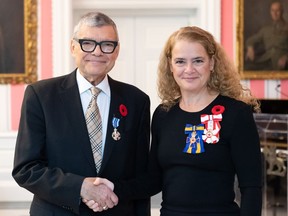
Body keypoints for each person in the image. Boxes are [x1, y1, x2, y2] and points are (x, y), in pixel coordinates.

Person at [88, 26, 263, 216]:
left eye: (198, 61)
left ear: (211, 63)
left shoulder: (236, 113)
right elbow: (153, 180)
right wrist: (113, 188)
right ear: (171, 66)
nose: (189, 70)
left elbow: (251, 187)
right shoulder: (163, 115)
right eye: (180, 61)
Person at [12, 11, 151, 216]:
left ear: (116, 50)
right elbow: (26, 169)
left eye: (107, 44)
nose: (97, 52)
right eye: (88, 43)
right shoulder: (40, 95)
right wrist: (80, 187)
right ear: (73, 46)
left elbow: (141, 177)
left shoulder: (136, 100)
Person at [245, 0, 288, 70]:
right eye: (272, 11)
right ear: (270, 12)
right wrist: (250, 47)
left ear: (282, 12)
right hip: (266, 61)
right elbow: (251, 40)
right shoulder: (266, 29)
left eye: (277, 11)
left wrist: (286, 57)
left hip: (282, 63)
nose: (275, 13)